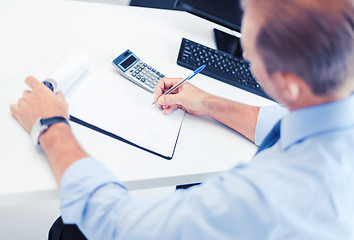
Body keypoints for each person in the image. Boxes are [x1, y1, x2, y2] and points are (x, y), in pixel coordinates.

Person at [10, 0, 354, 239]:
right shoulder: (336, 100)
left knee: (72, 229)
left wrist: (51, 127)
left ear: (289, 84)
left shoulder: (266, 196)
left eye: (253, 48)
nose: (245, 52)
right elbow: (284, 118)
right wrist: (207, 102)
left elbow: (117, 225)